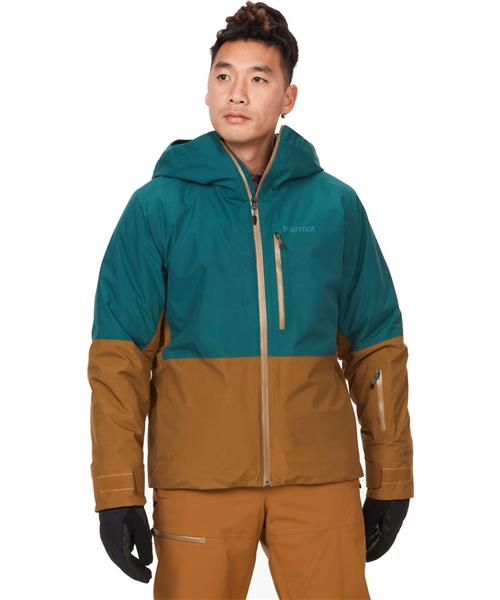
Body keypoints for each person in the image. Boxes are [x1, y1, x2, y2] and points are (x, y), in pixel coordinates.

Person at [88, 2, 414, 598]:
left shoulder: (335, 207)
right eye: (223, 75)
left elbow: (377, 349)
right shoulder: (156, 208)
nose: (236, 93)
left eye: (258, 78)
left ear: (288, 98)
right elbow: (119, 361)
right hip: (198, 483)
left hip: (318, 480)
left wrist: (392, 478)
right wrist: (116, 490)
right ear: (207, 88)